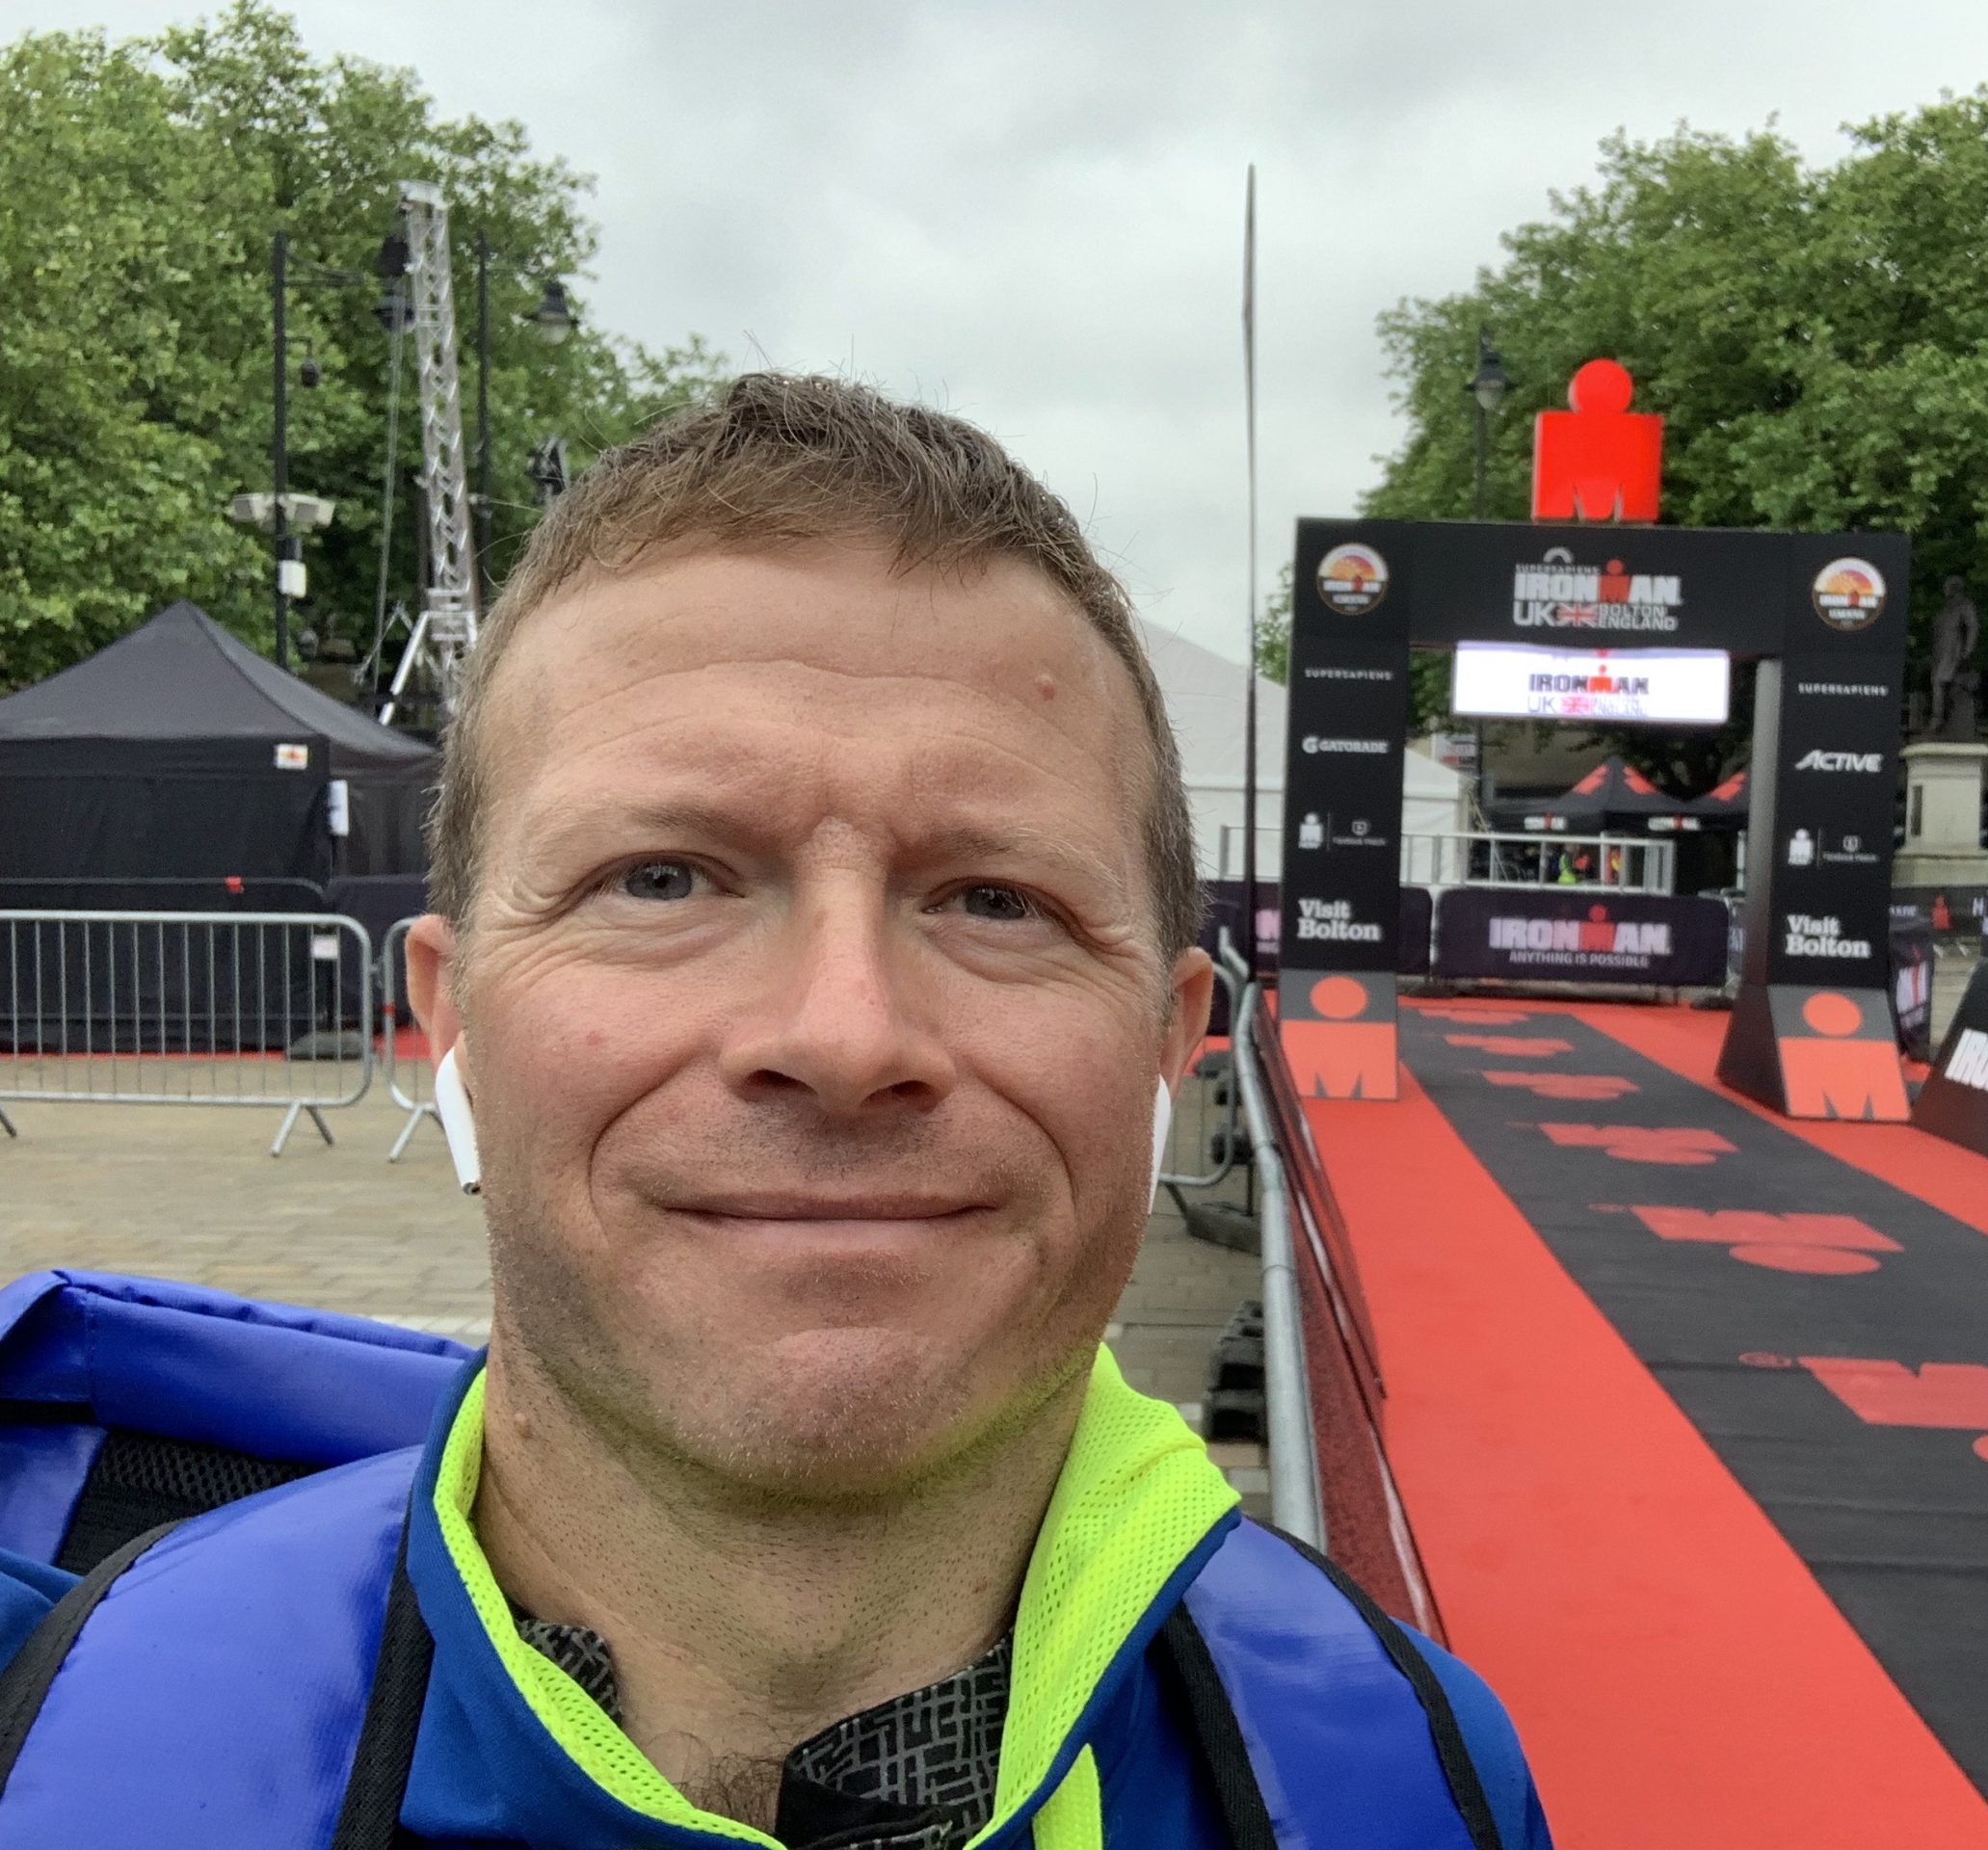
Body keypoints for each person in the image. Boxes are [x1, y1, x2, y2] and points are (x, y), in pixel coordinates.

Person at [0, 376, 1549, 1847]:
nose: (843, 1033)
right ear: (449, 1019)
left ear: (1169, 1041)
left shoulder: (1409, 1784)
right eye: (661, 880)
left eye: (995, 900)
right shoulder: (54, 1747)